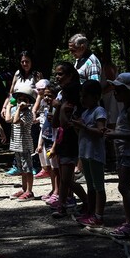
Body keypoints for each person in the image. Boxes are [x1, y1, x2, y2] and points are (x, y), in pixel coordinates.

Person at [104, 73, 130, 238]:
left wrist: (115, 135)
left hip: (129, 153)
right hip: (123, 153)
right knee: (124, 187)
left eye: (119, 90)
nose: (116, 93)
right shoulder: (126, 109)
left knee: (124, 187)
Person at [49, 61, 88, 218]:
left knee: (67, 178)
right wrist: (58, 107)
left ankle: (87, 202)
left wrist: (60, 107)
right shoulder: (63, 95)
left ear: (70, 75)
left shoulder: (74, 95)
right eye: (56, 74)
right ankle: (62, 206)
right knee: (63, 178)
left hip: (72, 140)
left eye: (60, 74)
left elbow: (63, 122)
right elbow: (56, 123)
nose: (57, 77)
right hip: (62, 139)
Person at [70, 80, 108, 228]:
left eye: (85, 96)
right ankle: (90, 212)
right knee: (90, 186)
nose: (82, 99)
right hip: (85, 154)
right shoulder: (85, 112)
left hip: (96, 154)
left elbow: (100, 132)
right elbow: (81, 132)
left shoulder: (99, 111)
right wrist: (76, 126)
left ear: (96, 96)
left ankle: (99, 216)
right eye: (81, 96)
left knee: (98, 186)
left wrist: (83, 126)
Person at [0, 51, 42, 176]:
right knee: (16, 136)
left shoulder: (36, 75)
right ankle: (17, 165)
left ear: (32, 62)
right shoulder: (18, 74)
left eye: (27, 61)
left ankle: (33, 164)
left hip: (30, 108)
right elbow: (11, 92)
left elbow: (40, 94)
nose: (25, 64)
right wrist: (5, 106)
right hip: (16, 108)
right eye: (22, 61)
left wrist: (34, 110)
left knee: (30, 136)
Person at [5, 84, 37, 201]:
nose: (21, 102)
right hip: (17, 145)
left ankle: (29, 191)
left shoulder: (29, 114)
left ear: (29, 102)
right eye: (19, 100)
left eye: (24, 100)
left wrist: (18, 109)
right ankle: (24, 189)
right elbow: (8, 119)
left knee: (28, 169)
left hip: (25, 145)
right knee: (22, 169)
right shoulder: (15, 110)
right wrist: (9, 107)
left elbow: (16, 121)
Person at [36, 84, 59, 203]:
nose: (47, 98)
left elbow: (57, 130)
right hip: (46, 141)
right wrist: (40, 143)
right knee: (49, 168)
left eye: (50, 95)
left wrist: (55, 145)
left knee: (56, 169)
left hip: (53, 142)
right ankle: (53, 189)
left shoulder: (57, 111)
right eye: (45, 95)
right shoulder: (45, 110)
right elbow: (43, 128)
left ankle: (57, 191)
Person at [33, 79, 52, 179]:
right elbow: (37, 112)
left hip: (50, 132)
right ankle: (45, 168)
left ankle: (47, 169)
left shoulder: (51, 104)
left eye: (41, 90)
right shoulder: (42, 101)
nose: (39, 92)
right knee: (41, 151)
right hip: (43, 129)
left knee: (47, 154)